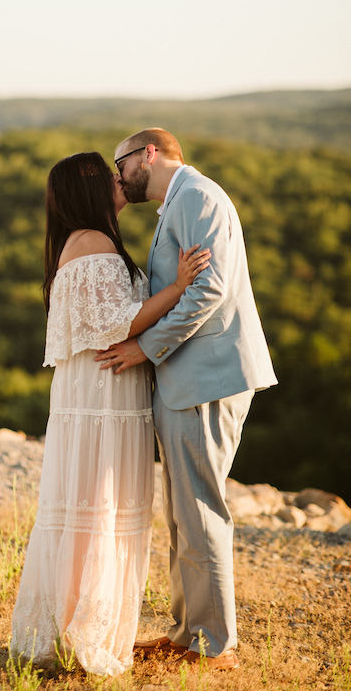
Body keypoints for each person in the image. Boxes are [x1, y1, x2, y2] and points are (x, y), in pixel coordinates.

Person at [10, 152, 211, 676]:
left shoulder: (85, 241)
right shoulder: (93, 242)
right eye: (109, 177)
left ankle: (75, 626)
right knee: (97, 510)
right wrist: (180, 284)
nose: (120, 182)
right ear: (91, 191)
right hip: (102, 396)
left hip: (100, 393)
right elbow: (118, 326)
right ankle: (82, 633)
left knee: (90, 510)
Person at [96, 128, 277, 672]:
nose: (119, 175)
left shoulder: (197, 197)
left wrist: (144, 349)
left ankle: (213, 646)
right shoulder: (181, 201)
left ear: (148, 153)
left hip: (207, 378)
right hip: (191, 379)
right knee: (184, 512)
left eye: (120, 162)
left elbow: (209, 290)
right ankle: (186, 633)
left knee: (199, 510)